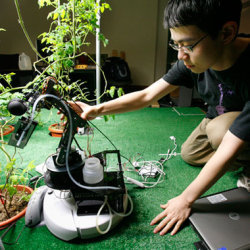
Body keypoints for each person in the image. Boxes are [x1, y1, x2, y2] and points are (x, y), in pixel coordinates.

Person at [69, 0, 250, 236]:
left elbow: (229, 145)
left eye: (187, 45)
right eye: (176, 45)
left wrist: (185, 199)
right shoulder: (194, 59)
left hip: (233, 125)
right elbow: (146, 95)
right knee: (190, 153)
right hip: (218, 117)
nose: (181, 55)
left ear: (226, 33)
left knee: (220, 135)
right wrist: (96, 109)